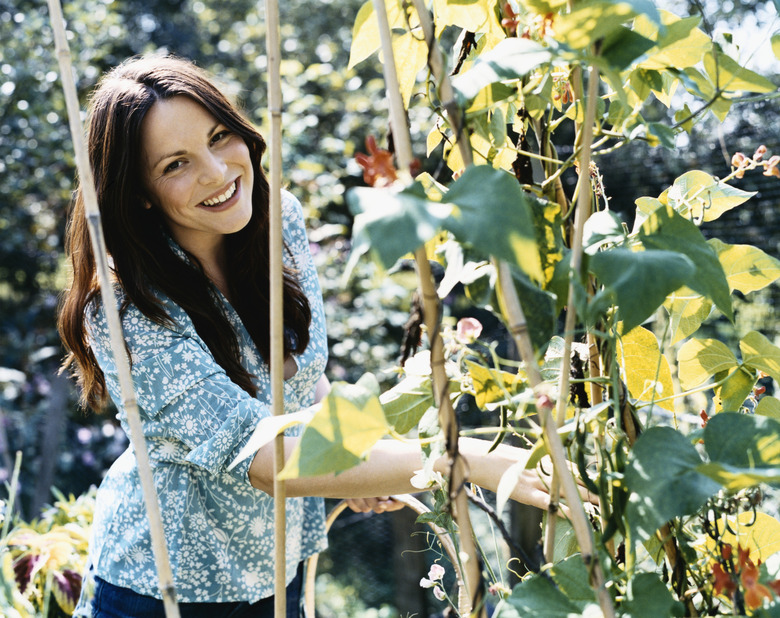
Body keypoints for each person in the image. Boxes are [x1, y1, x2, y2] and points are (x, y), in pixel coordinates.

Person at [58, 54, 572, 618]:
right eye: (176, 164)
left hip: (281, 569)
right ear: (141, 194)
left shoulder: (278, 223)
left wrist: (358, 457)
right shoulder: (124, 307)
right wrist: (469, 458)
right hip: (162, 589)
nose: (216, 171)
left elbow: (304, 383)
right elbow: (266, 457)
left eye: (219, 136)